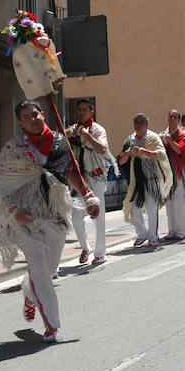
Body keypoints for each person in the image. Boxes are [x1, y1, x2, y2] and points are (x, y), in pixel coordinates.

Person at [0, 100, 101, 343]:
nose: (32, 119)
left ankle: (29, 294)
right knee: (41, 272)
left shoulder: (59, 142)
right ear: (20, 122)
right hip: (25, 217)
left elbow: (70, 171)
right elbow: (2, 185)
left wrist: (88, 196)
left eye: (35, 114)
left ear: (43, 114)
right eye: (26, 116)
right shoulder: (13, 149)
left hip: (54, 211)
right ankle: (52, 325)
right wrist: (15, 213)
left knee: (50, 270)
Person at [66, 99, 115, 264]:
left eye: (84, 110)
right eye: (78, 110)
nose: (80, 112)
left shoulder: (98, 129)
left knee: (98, 215)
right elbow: (61, 139)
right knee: (75, 216)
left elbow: (103, 149)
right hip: (79, 179)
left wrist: (87, 136)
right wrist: (68, 133)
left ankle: (100, 253)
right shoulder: (74, 128)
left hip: (96, 177)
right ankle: (85, 247)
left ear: (91, 111)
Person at [118, 113, 172, 247]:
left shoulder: (153, 138)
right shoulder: (130, 139)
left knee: (151, 208)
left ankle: (153, 237)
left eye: (141, 122)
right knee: (134, 209)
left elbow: (161, 154)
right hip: (136, 179)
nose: (138, 125)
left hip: (151, 178)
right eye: (136, 122)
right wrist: (126, 154)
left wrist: (143, 152)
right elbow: (121, 160)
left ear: (146, 125)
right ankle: (142, 234)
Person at [161, 109, 185, 239]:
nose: (172, 118)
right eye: (170, 116)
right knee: (169, 201)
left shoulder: (182, 133)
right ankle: (172, 230)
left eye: (175, 117)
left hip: (179, 170)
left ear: (178, 120)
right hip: (167, 171)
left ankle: (181, 230)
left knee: (179, 199)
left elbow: (180, 150)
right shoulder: (163, 133)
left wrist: (169, 141)